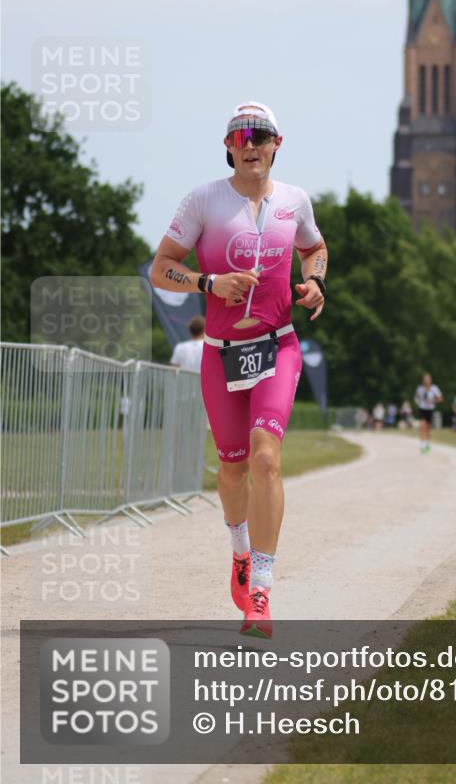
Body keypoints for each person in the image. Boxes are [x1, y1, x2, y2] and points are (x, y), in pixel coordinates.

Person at [151, 101, 327, 638]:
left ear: (278, 144)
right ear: (228, 145)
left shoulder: (295, 201)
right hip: (221, 353)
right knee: (231, 469)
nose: (251, 143)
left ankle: (262, 591)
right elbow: (162, 269)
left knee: (266, 459)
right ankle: (240, 552)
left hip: (278, 347)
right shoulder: (203, 200)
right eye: (240, 135)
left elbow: (314, 248)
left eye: (261, 135)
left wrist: (315, 281)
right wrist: (209, 284)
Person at [414, 373, 443, 454]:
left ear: (430, 381)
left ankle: (428, 444)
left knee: (428, 428)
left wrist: (433, 401)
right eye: (425, 380)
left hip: (430, 409)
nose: (426, 381)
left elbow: (440, 398)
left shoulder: (434, 388)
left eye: (428, 380)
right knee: (422, 426)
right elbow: (416, 397)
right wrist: (418, 402)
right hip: (422, 408)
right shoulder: (420, 388)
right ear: (423, 381)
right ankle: (422, 445)